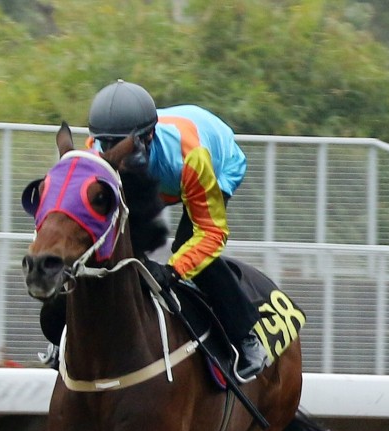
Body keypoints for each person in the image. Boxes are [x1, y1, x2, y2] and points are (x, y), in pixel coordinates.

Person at [83, 79, 268, 381]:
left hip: (215, 166)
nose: (114, 154)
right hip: (165, 175)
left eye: (125, 145)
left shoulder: (192, 158)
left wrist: (172, 271)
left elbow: (211, 234)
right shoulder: (94, 151)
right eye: (107, 145)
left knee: (188, 247)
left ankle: (246, 338)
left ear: (150, 136)